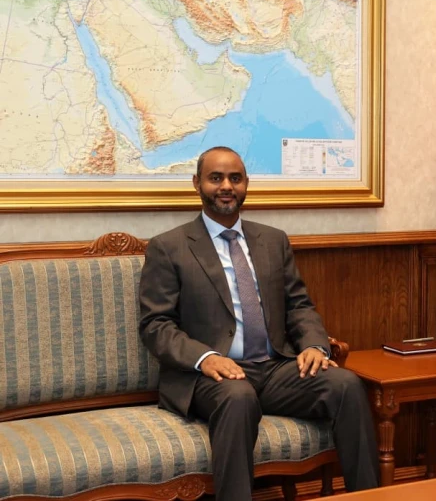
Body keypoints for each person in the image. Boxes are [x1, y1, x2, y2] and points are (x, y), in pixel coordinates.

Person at [139, 146, 379, 499]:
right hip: (211, 375)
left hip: (274, 368)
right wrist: (205, 358)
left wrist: (315, 345)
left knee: (346, 384)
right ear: (196, 183)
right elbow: (156, 324)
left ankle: (370, 496)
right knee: (238, 397)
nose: (226, 186)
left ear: (246, 184)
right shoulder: (169, 247)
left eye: (235, 178)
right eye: (216, 178)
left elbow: (298, 305)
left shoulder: (272, 240)